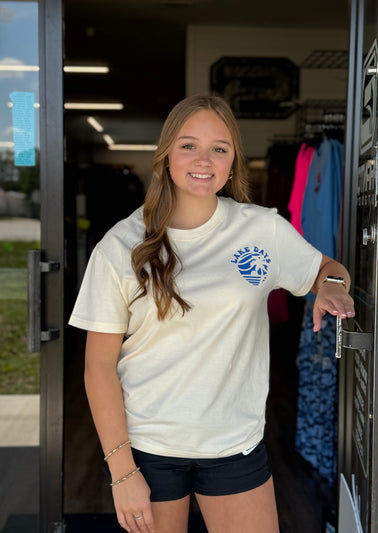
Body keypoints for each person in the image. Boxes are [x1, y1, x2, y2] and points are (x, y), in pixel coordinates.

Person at [69, 94, 355, 533]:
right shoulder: (122, 245)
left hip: (234, 443)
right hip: (149, 447)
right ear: (166, 155)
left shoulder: (262, 228)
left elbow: (324, 269)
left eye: (219, 148)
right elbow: (99, 367)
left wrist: (331, 287)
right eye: (189, 146)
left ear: (232, 160)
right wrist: (123, 474)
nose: (204, 160)